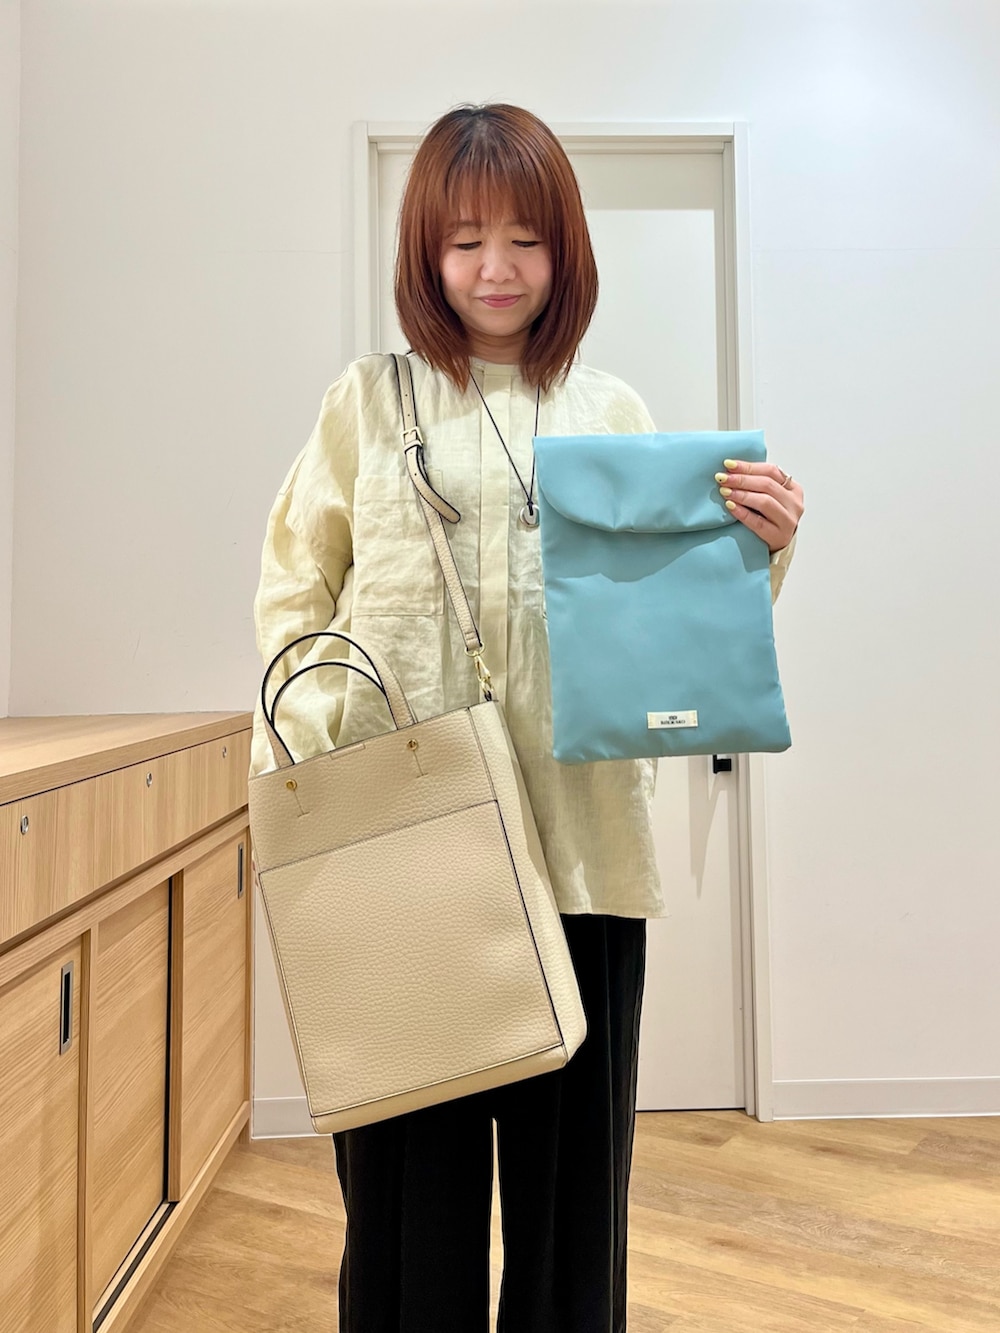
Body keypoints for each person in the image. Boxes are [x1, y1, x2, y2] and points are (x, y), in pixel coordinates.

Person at [251, 102, 803, 1333]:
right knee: (407, 1201)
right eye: (464, 241)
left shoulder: (610, 410)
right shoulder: (368, 401)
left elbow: (669, 617)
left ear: (566, 250)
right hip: (401, 854)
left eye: (524, 238)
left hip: (579, 848)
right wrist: (326, 764)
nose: (495, 268)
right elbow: (294, 594)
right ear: (424, 253)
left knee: (571, 1207)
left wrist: (757, 548)